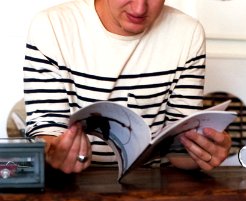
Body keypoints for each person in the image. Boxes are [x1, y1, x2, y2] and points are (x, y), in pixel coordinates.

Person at [23, 0, 231, 174]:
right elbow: (46, 131)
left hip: (149, 189)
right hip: (72, 189)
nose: (140, 8)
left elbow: (178, 151)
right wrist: (54, 153)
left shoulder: (187, 33)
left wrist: (204, 150)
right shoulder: (52, 27)